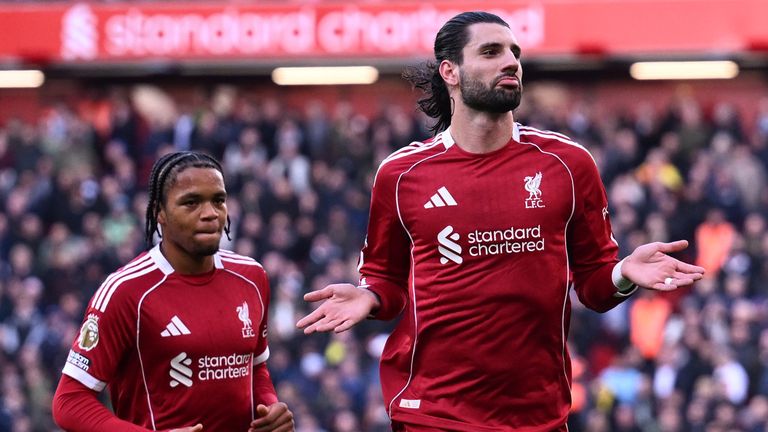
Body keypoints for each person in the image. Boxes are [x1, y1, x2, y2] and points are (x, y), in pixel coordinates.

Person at [297, 11, 705, 431]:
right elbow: (387, 280)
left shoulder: (568, 165)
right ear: (449, 71)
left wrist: (623, 271)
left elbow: (595, 287)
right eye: (491, 52)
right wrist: (371, 297)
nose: (510, 61)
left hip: (539, 414)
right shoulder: (401, 175)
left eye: (515, 52)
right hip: (434, 413)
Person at [52, 151, 294, 432]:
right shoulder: (127, 291)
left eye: (218, 200)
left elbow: (255, 368)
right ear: (160, 213)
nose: (210, 213)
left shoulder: (252, 278)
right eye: (191, 202)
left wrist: (269, 407)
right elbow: (69, 402)